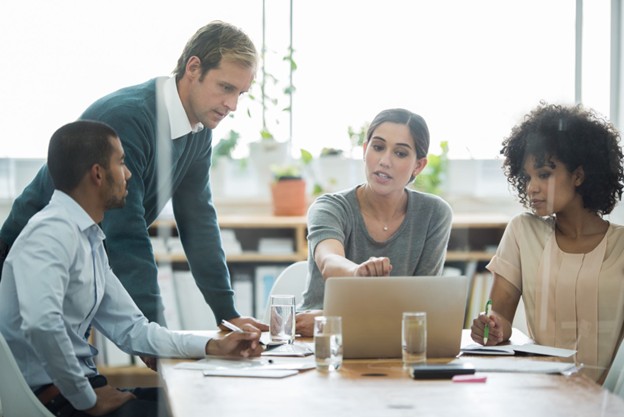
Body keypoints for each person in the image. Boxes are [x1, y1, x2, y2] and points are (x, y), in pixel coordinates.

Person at [0, 21, 267, 333]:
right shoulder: (128, 119)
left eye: (241, 93)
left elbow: (198, 221)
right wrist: (155, 334)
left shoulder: (198, 132)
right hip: (30, 265)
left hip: (81, 265)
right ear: (193, 68)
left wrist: (227, 315)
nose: (232, 105)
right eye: (226, 87)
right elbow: (125, 231)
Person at [0, 120, 262, 417]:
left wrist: (215, 345)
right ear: (97, 174)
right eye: (121, 162)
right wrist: (87, 400)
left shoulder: (88, 238)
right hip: (57, 401)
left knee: (209, 399)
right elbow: (42, 324)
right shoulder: (49, 234)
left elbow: (133, 329)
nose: (129, 174)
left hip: (81, 390)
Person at [470, 103, 624, 383]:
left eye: (544, 174)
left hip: (609, 401)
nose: (531, 187)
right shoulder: (522, 231)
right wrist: (492, 327)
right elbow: (500, 317)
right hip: (543, 393)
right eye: (527, 177)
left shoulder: (621, 246)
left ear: (578, 175)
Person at [296, 108, 453, 336]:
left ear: (418, 166)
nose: (384, 161)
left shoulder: (434, 214)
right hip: (319, 336)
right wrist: (358, 274)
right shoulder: (329, 207)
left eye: (400, 153)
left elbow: (422, 305)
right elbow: (329, 262)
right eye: (378, 148)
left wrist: (340, 320)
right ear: (365, 150)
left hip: (389, 337)